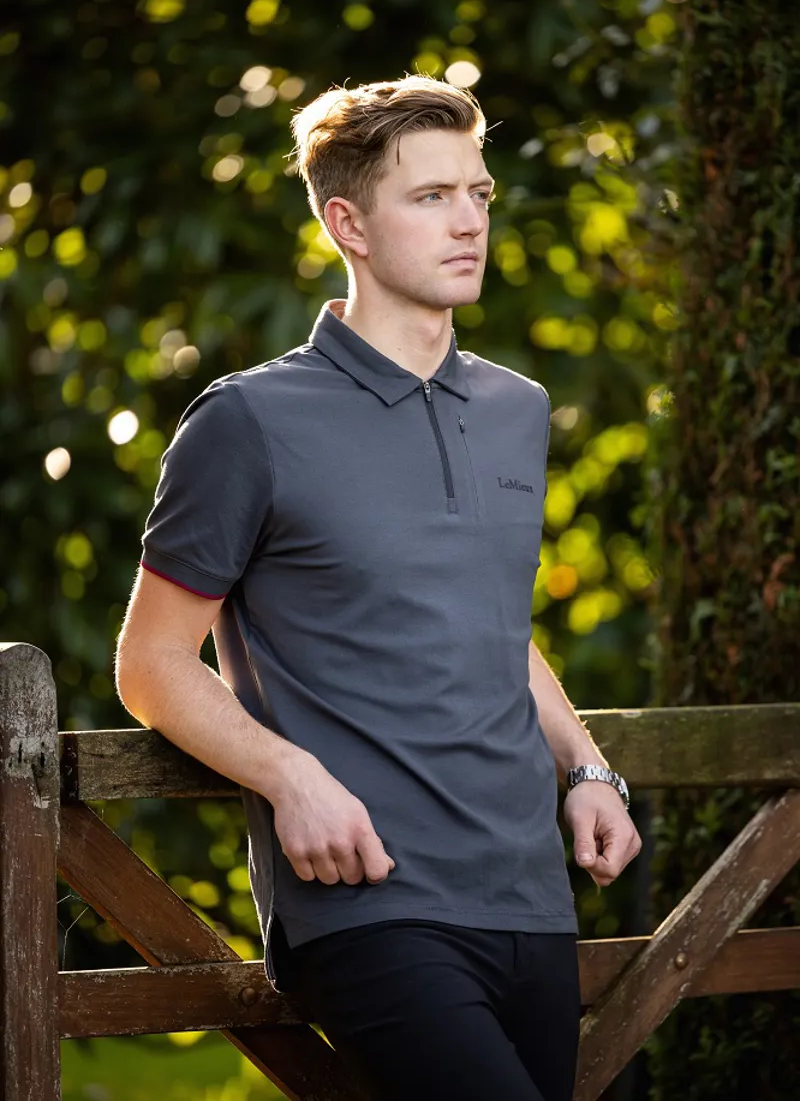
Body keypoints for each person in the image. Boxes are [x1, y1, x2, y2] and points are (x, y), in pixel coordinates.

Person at [115, 74, 642, 1101]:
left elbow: (491, 622)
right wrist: (290, 776)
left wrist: (584, 766)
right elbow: (150, 661)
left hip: (531, 896)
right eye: (430, 196)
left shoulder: (517, 408)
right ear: (346, 223)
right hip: (367, 900)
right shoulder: (247, 420)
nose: (469, 222)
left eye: (478, 194)